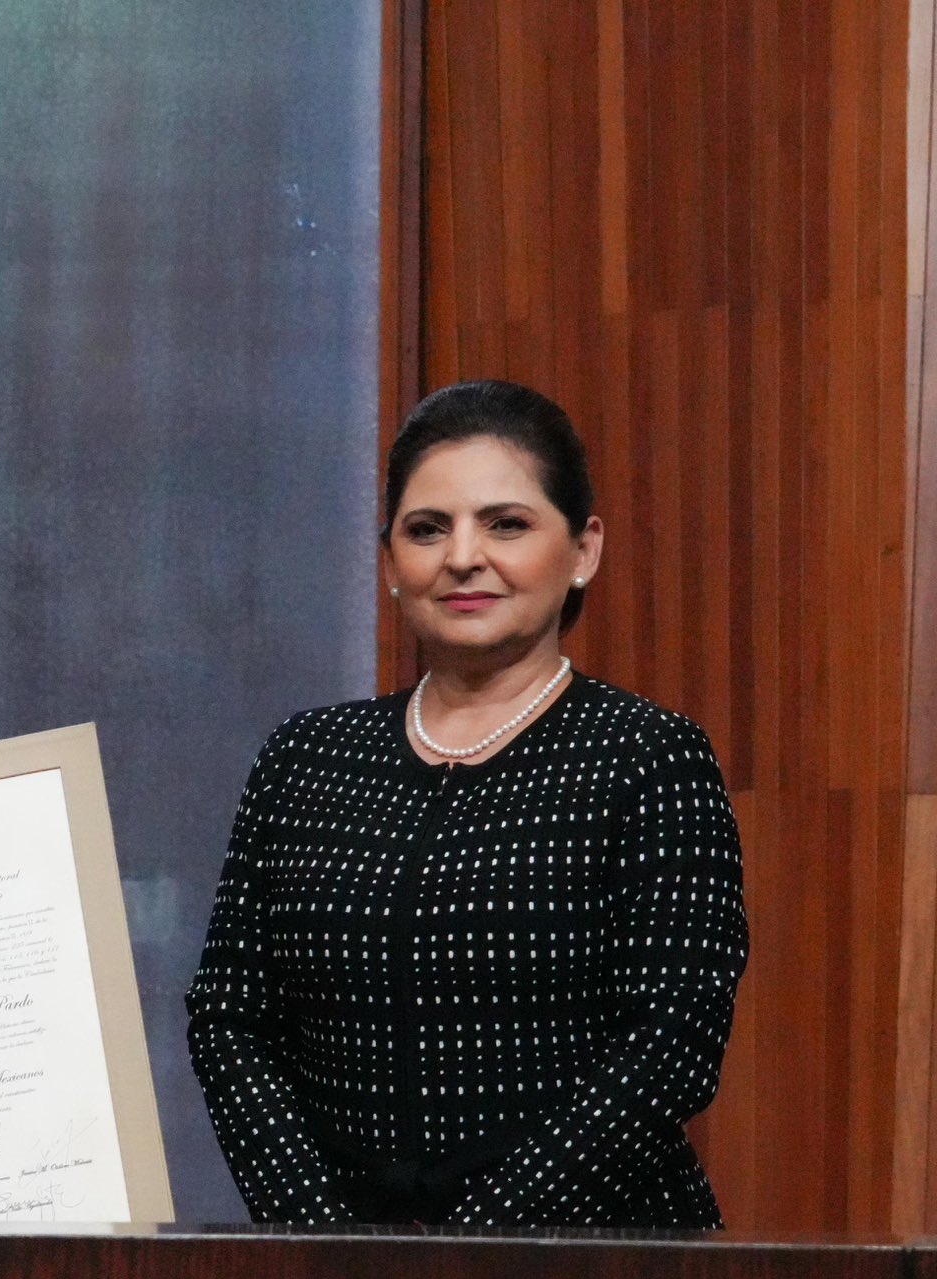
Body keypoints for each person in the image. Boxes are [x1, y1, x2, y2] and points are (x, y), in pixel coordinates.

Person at [185, 379, 747, 1228]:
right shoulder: (305, 758)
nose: (463, 557)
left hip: (595, 1268)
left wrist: (475, 1252)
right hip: (337, 1268)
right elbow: (230, 1018)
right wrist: (320, 1240)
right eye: (427, 529)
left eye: (506, 524)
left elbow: (673, 1041)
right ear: (389, 564)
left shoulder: (650, 758)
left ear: (584, 549)